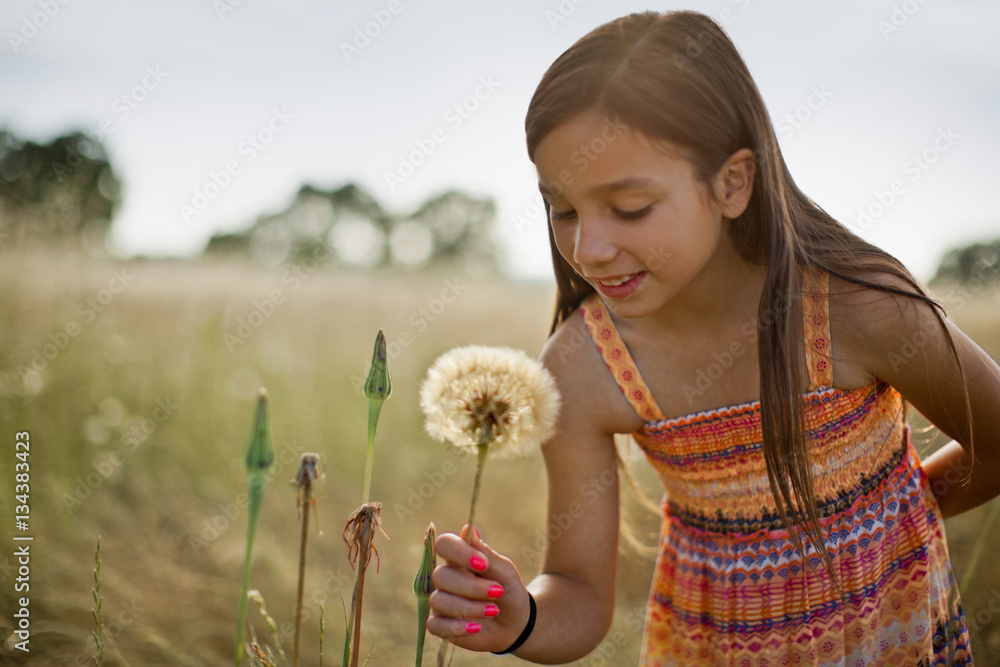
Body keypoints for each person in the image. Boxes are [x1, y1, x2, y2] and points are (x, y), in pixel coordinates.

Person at [427, 10, 997, 665]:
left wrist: (894, 514)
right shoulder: (584, 368)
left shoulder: (860, 309)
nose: (589, 247)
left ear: (732, 183)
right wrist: (522, 616)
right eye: (562, 208)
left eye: (630, 207)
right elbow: (579, 590)